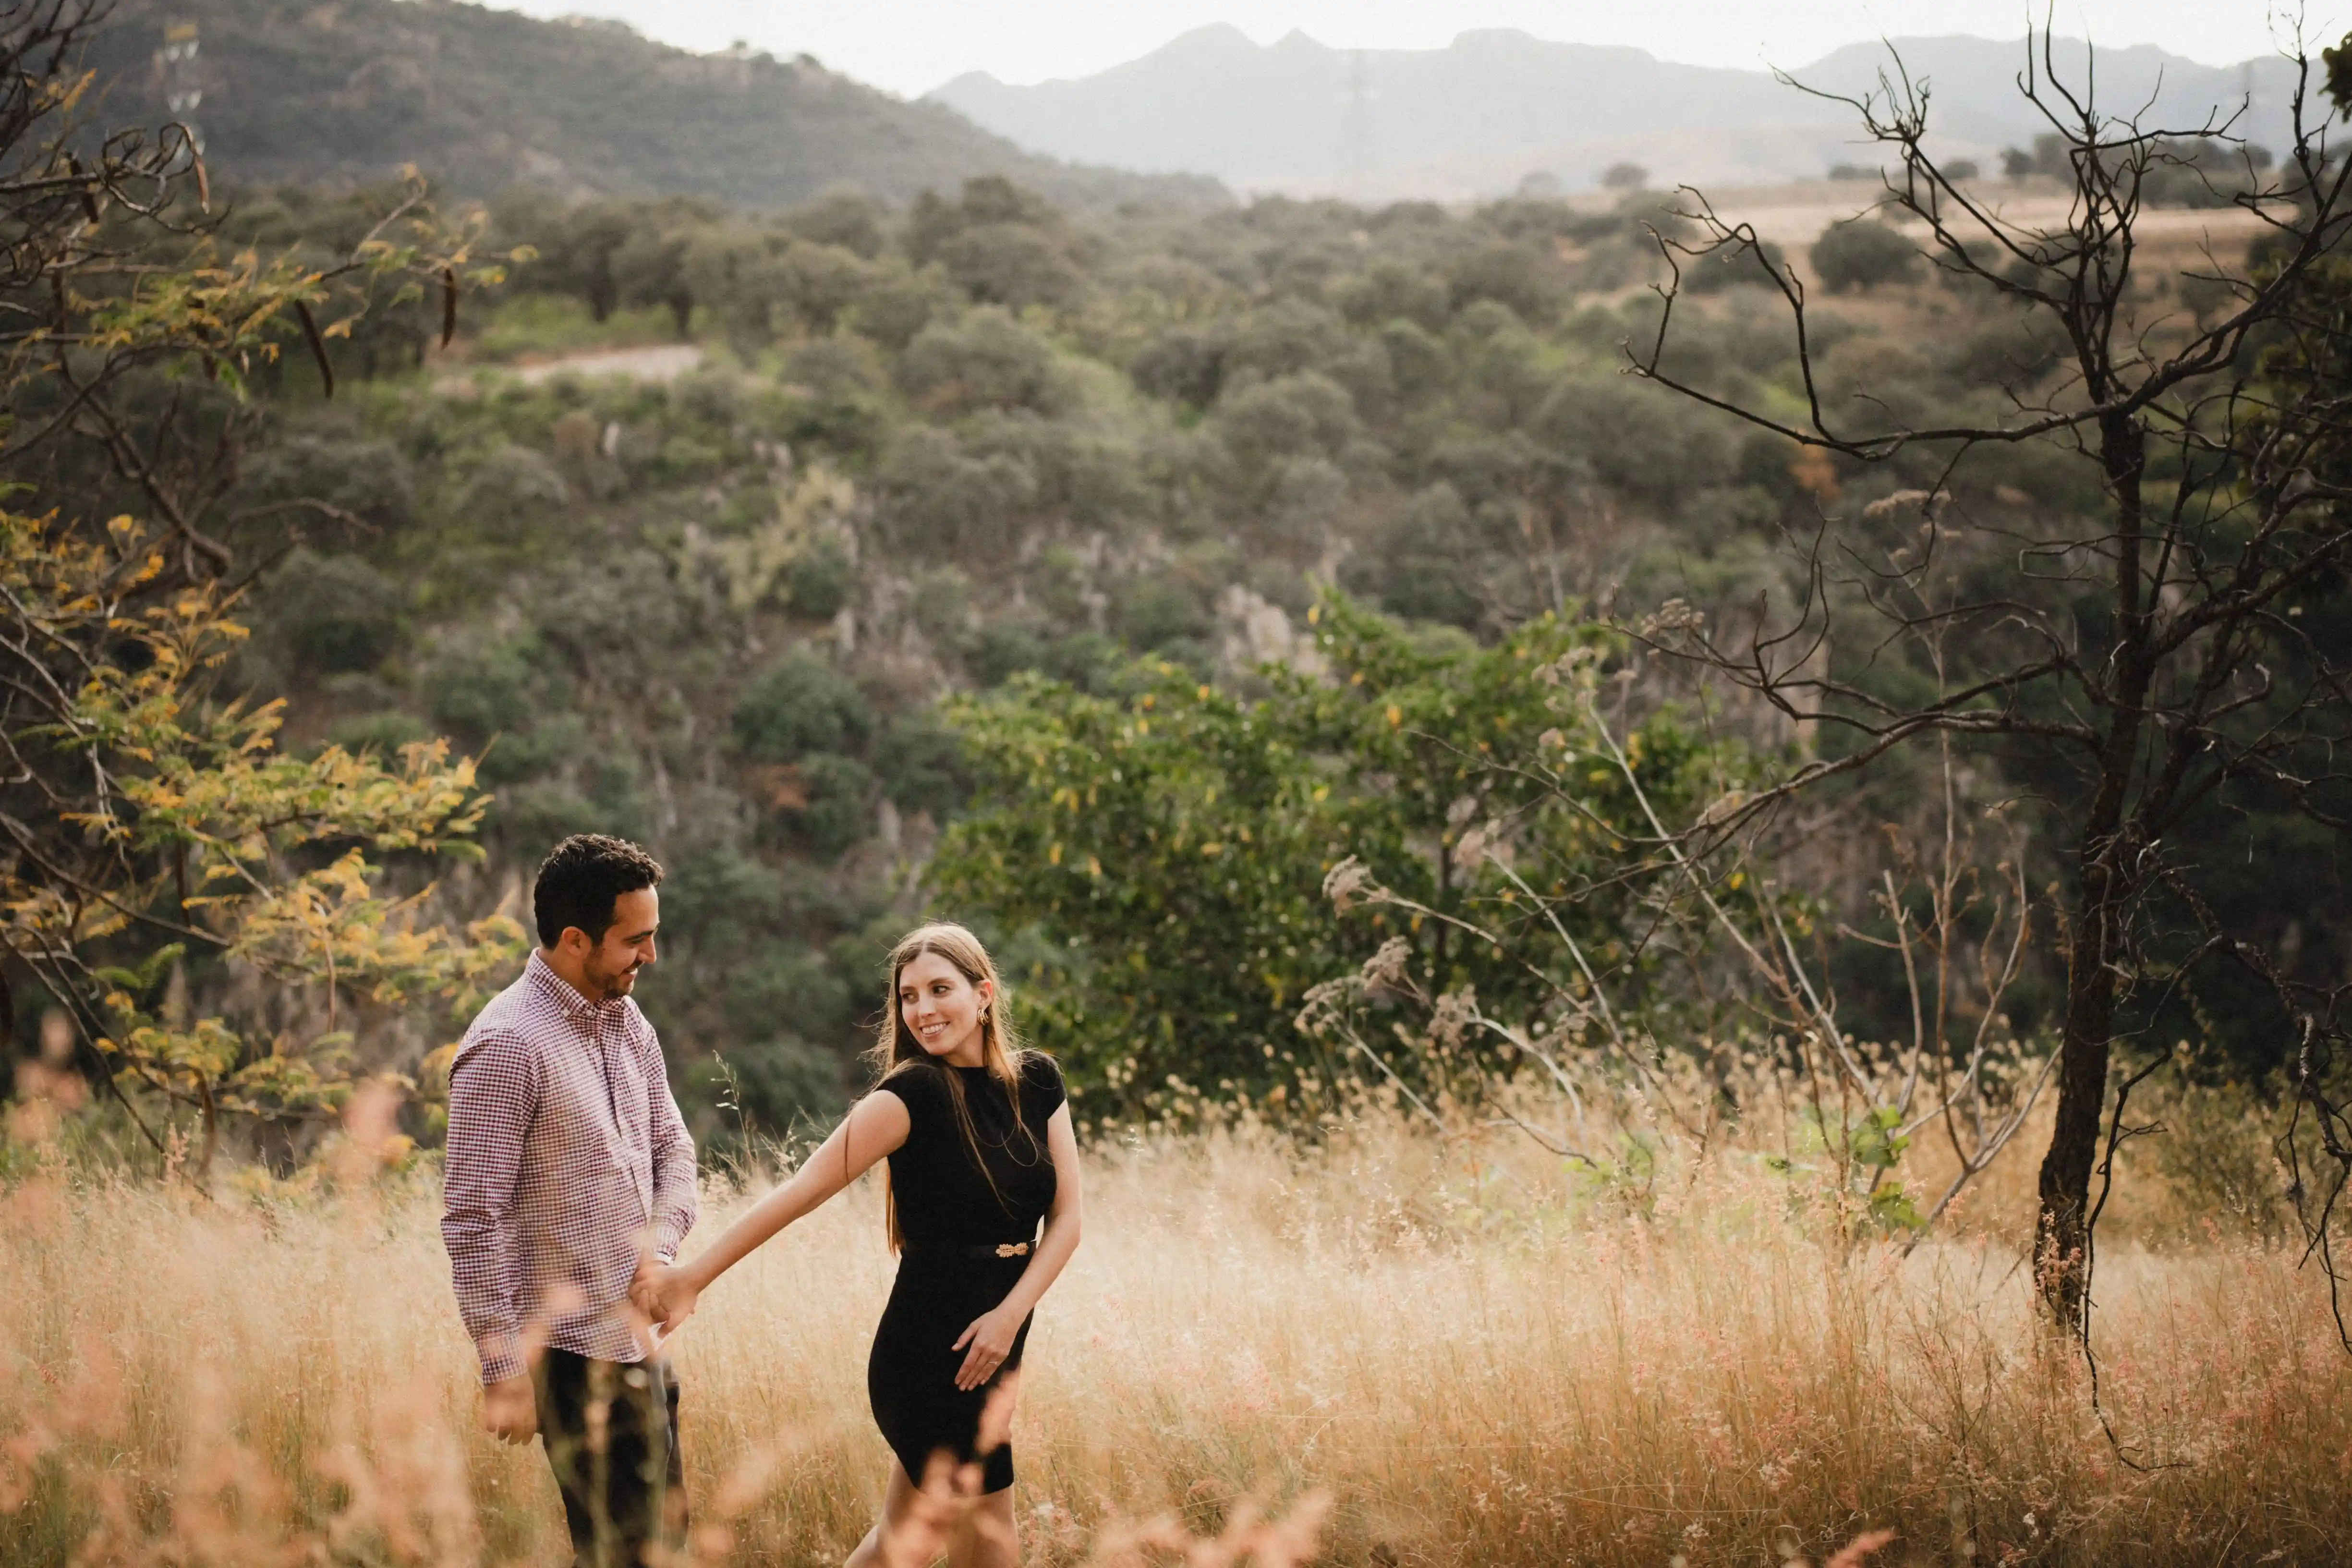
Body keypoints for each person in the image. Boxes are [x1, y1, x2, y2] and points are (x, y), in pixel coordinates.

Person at [643, 922, 1083, 1568]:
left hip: (998, 1342)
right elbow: (800, 1192)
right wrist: (692, 1277)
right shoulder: (909, 1095)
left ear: (983, 994)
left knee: (902, 1546)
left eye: (940, 989)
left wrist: (1009, 1315)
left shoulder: (1038, 1082)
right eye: (908, 997)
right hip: (931, 1356)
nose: (923, 1010)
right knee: (992, 1551)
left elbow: (1068, 1219)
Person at [441, 834, 698, 1568]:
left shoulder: (627, 1022)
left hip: (638, 1340)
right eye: (635, 941)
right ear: (575, 938)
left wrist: (661, 1255)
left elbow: (673, 1151)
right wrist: (501, 1370)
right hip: (567, 1352)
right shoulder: (506, 1045)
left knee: (660, 1548)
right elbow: (472, 1217)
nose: (650, 956)